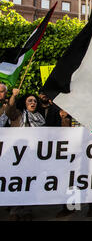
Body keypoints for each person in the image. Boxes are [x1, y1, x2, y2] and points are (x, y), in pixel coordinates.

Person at [6, 88, 45, 221]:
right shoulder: (18, 115)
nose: (33, 102)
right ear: (25, 103)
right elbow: (9, 111)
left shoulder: (40, 117)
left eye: (34, 101)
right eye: (30, 101)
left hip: (34, 156)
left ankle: (28, 210)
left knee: (31, 183)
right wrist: (13, 96)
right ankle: (14, 211)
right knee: (17, 183)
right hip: (19, 156)